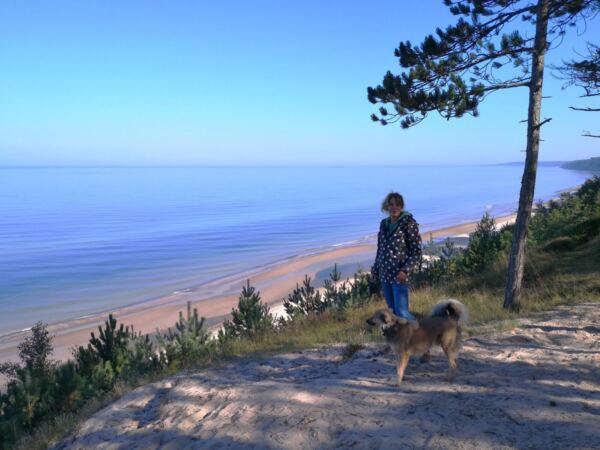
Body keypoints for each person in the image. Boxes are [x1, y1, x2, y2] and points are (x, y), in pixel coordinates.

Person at [371, 192, 422, 320]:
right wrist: (375, 270)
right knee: (392, 312)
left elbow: (416, 252)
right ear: (387, 206)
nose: (395, 207)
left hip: (399, 275)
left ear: (402, 206)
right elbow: (380, 250)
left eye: (398, 204)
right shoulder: (384, 224)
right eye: (392, 204)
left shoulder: (408, 223)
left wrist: (405, 270)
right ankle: (403, 333)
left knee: (402, 312)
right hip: (384, 275)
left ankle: (419, 330)